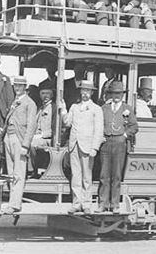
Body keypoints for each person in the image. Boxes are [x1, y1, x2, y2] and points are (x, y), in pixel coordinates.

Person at [60, 80, 104, 214]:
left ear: (91, 93)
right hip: (74, 145)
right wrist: (63, 109)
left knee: (86, 176)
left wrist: (94, 148)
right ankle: (76, 203)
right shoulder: (74, 107)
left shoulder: (96, 109)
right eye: (83, 90)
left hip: (87, 146)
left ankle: (86, 204)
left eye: (88, 91)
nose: (85, 93)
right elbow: (67, 123)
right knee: (76, 175)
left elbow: (99, 130)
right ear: (80, 91)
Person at [97, 81, 138, 213]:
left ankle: (114, 205)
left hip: (120, 144)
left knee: (116, 175)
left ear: (122, 95)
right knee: (104, 175)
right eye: (114, 93)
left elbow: (134, 126)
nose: (116, 96)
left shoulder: (127, 108)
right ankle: (103, 203)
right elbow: (98, 124)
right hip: (106, 143)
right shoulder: (104, 108)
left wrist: (124, 135)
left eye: (119, 93)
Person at [0, 76, 38, 214]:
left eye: (20, 86)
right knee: (11, 173)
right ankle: (12, 202)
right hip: (9, 138)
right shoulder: (15, 102)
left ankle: (15, 204)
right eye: (15, 86)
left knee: (18, 173)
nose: (17, 88)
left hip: (19, 139)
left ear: (25, 87)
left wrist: (25, 145)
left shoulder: (30, 103)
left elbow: (31, 126)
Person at [29, 85, 57, 178]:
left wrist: (41, 135)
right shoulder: (40, 108)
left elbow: (55, 129)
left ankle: (33, 170)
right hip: (38, 136)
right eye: (43, 93)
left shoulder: (54, 108)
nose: (45, 96)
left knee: (31, 144)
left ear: (52, 95)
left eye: (48, 93)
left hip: (49, 139)